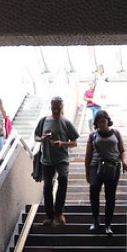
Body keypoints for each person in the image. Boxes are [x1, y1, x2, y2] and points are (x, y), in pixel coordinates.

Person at [33, 96, 80, 226]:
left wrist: (62, 143)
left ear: (62, 107)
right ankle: (49, 215)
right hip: (46, 159)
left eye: (58, 108)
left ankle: (59, 212)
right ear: (50, 106)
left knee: (63, 178)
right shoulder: (43, 121)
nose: (56, 111)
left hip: (62, 158)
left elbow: (74, 142)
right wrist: (42, 139)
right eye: (54, 108)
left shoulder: (66, 122)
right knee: (47, 185)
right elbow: (36, 137)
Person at [84, 109, 127, 235]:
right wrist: (87, 171)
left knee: (110, 196)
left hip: (113, 166)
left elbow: (122, 150)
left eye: (103, 121)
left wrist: (124, 163)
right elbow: (88, 154)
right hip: (96, 166)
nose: (101, 124)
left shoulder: (116, 133)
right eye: (99, 122)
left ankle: (108, 225)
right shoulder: (92, 135)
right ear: (96, 123)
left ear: (108, 121)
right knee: (94, 190)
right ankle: (95, 221)